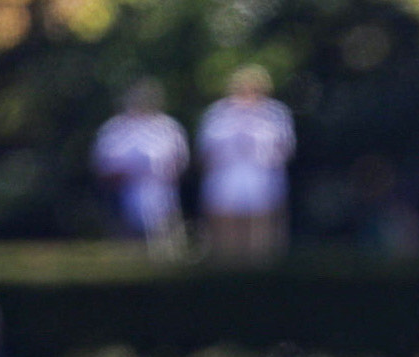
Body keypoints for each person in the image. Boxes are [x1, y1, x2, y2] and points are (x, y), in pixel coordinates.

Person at [197, 65, 295, 262]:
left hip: (263, 181)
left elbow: (285, 149)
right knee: (225, 241)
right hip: (225, 182)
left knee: (262, 239)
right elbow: (205, 151)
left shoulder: (276, 113)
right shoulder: (216, 114)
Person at [91, 79, 188, 258]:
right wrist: (132, 170)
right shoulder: (114, 129)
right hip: (123, 195)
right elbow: (103, 167)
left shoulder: (168, 127)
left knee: (165, 248)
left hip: (161, 195)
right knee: (127, 249)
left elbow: (180, 163)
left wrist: (160, 169)